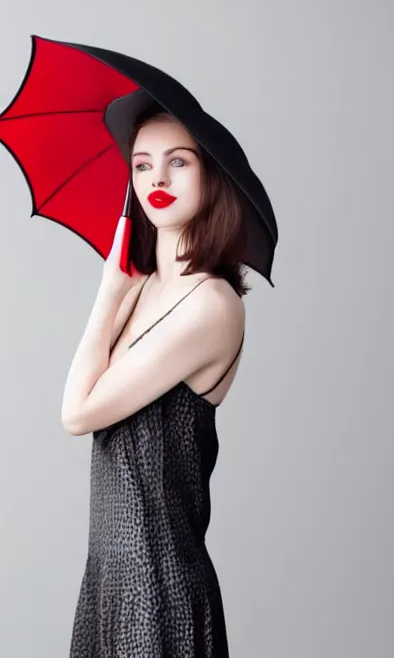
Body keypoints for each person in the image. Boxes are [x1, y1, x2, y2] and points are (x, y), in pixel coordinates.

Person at [63, 103, 247, 657]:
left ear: (211, 177)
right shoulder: (139, 289)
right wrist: (117, 289)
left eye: (179, 162)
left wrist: (104, 295)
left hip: (158, 586)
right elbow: (81, 391)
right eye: (141, 165)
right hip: (107, 579)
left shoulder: (212, 305)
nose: (157, 179)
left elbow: (77, 412)